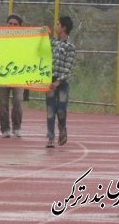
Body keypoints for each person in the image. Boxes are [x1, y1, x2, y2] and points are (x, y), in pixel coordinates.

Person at [46, 16, 76, 148]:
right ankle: (50, 137)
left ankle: (62, 128)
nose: (56, 26)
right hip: (50, 82)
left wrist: (58, 81)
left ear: (64, 28)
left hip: (62, 83)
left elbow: (68, 67)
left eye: (58, 24)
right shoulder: (53, 43)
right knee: (50, 109)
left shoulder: (70, 46)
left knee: (61, 110)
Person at [0, 14, 25, 138]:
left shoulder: (26, 40)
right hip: (1, 75)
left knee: (18, 101)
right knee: (2, 102)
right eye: (10, 24)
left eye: (15, 24)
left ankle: (17, 127)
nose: (12, 26)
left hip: (18, 75)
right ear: (6, 24)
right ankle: (5, 128)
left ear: (20, 27)